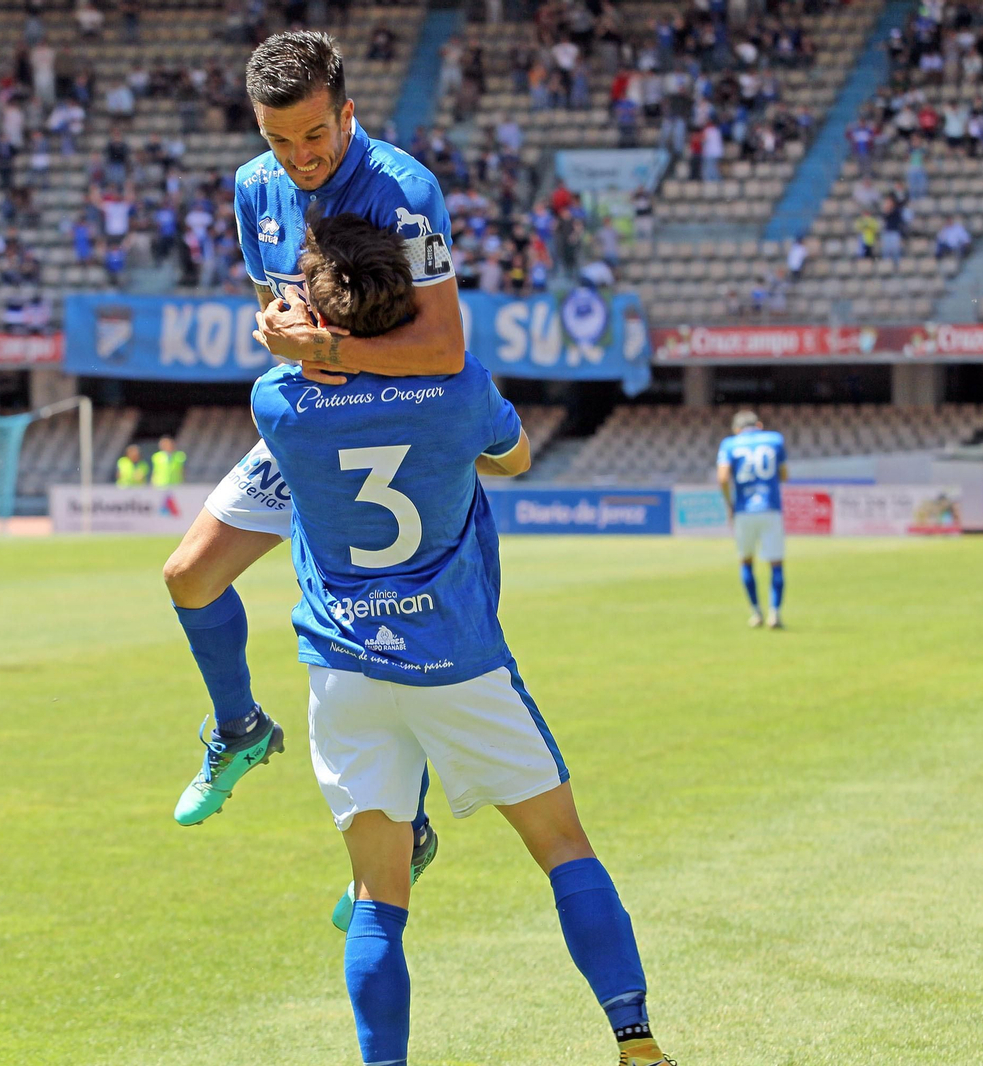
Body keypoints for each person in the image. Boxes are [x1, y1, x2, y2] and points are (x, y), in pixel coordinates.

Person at [251, 212, 676, 1066]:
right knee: (562, 849)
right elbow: (513, 459)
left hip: (344, 664)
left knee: (378, 896)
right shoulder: (457, 389)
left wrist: (301, 346)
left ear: (318, 311)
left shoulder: (278, 402)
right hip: (455, 659)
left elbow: (310, 367)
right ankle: (635, 1044)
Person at [161, 30, 466, 891]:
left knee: (367, 636)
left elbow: (444, 348)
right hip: (308, 422)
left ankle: (404, 831)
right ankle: (239, 728)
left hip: (395, 428)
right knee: (189, 576)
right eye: (278, 139)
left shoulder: (406, 192)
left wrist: (324, 346)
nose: (299, 157)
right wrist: (282, 338)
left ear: (347, 112)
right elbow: (276, 312)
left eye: (314, 136)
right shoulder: (252, 188)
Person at [717, 410, 788, 629]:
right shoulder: (775, 439)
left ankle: (756, 612)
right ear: (758, 425)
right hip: (770, 508)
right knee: (776, 564)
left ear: (737, 429)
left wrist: (730, 503)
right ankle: (774, 613)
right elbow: (784, 475)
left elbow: (722, 478)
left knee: (746, 561)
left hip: (744, 510)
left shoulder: (729, 444)